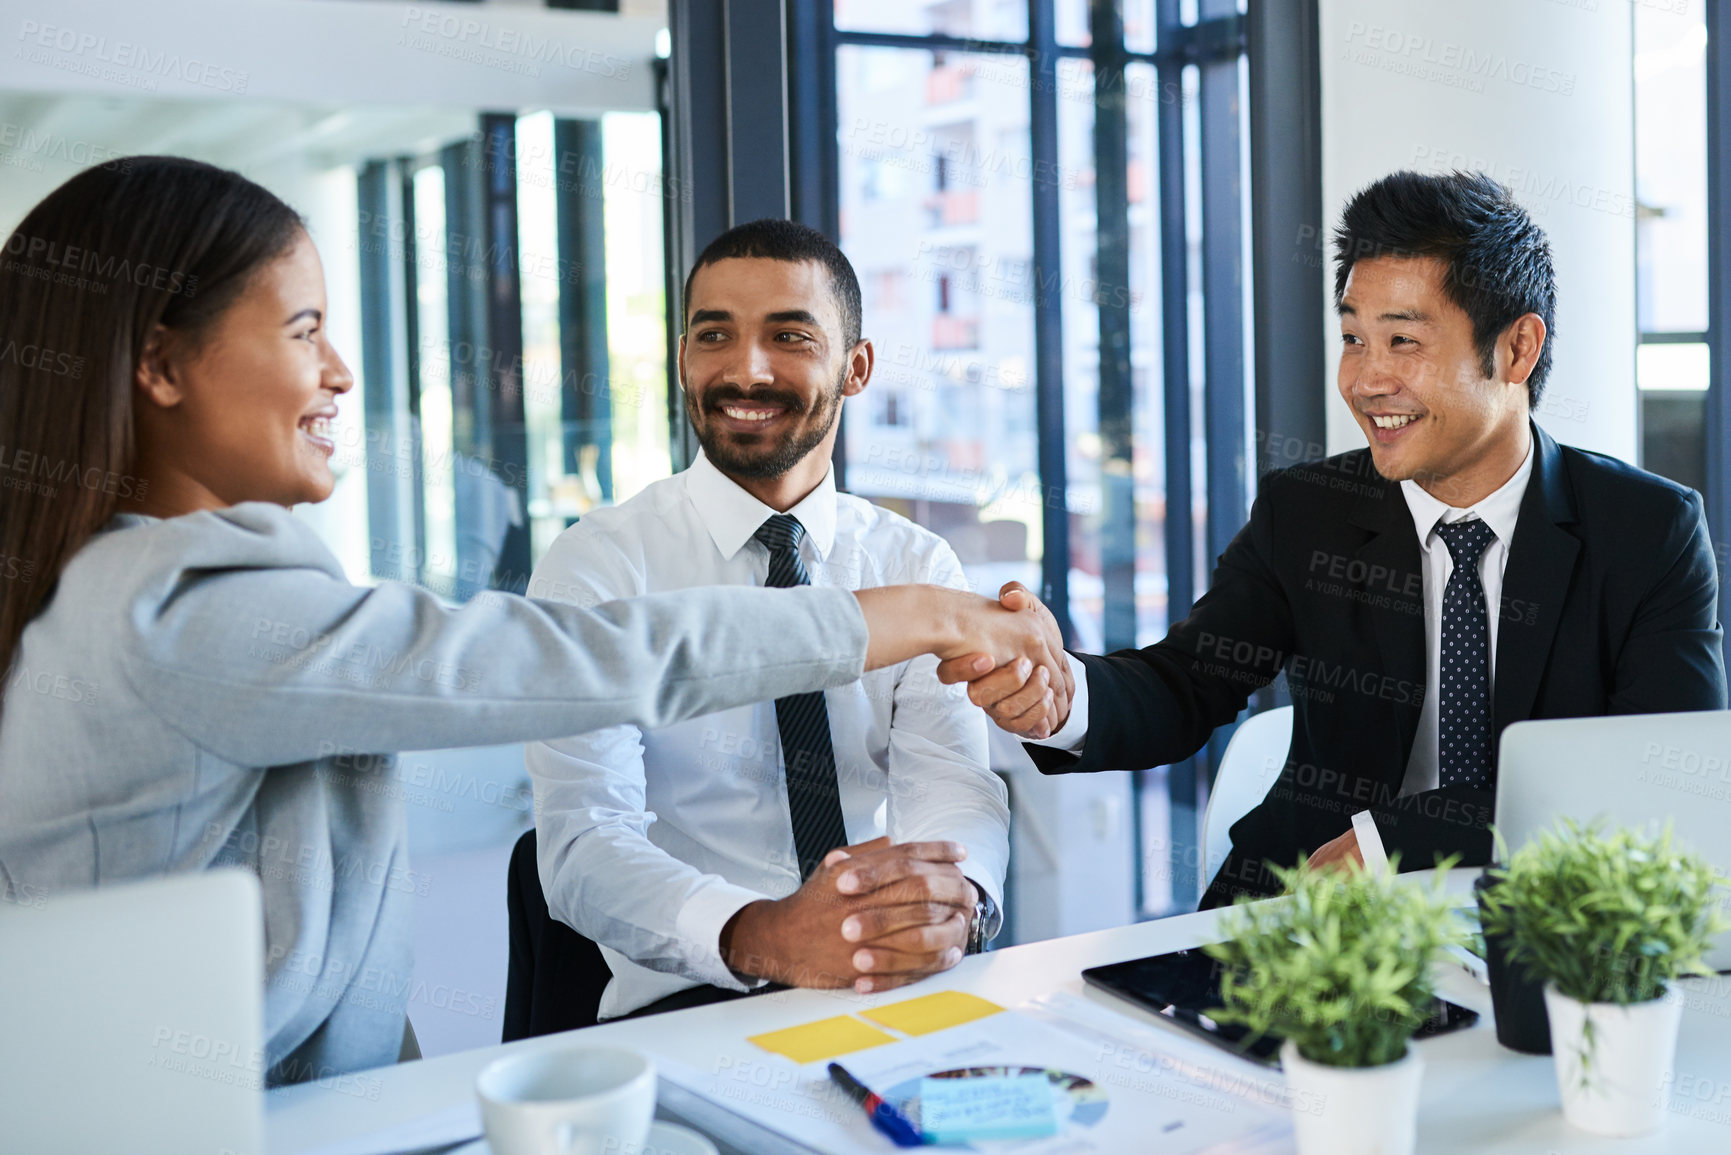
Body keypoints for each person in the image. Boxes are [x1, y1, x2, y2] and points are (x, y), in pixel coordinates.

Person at [0, 158, 1061, 1083]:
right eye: (304, 327)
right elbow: (583, 665)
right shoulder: (179, 608)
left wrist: (939, 904)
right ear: (162, 364)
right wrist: (916, 617)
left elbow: (955, 790)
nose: (339, 371)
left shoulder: (133, 584)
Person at [949, 170, 1727, 907]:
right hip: (1305, 917)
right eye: (1353, 338)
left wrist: (1399, 840)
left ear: (1516, 349)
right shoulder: (1307, 511)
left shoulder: (1645, 531)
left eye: (1403, 342)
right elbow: (1186, 682)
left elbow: (1661, 776)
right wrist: (1061, 697)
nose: (1363, 380)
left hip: (1545, 928)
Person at [526, 220, 1011, 1021]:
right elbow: (583, 846)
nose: (745, 370)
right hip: (695, 991)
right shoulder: (599, 566)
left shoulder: (915, 565)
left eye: (789, 336)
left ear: (855, 368)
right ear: (684, 359)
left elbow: (952, 784)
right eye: (714, 335)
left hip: (889, 976)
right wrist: (767, 933)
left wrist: (951, 893)